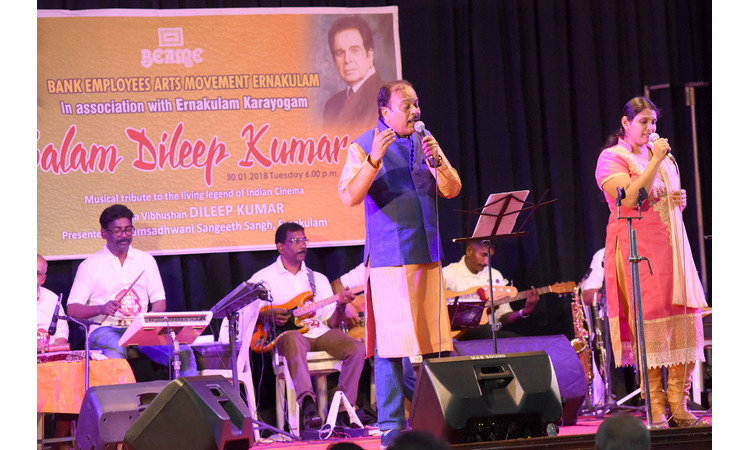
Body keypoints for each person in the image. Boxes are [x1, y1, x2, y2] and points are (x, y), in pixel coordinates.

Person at [338, 79, 462, 448]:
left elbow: (452, 188)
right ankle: (391, 426)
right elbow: (349, 195)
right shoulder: (363, 145)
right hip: (390, 258)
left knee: (435, 343)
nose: (415, 111)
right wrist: (373, 160)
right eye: (406, 105)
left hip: (428, 253)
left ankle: (442, 417)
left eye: (416, 103)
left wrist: (438, 161)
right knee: (391, 346)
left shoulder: (426, 141)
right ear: (385, 111)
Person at [595, 97, 708, 428]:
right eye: (643, 121)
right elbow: (631, 198)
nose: (650, 127)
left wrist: (677, 199)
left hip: (673, 248)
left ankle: (679, 405)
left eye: (654, 121)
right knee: (651, 323)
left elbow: (660, 197)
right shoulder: (612, 158)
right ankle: (656, 406)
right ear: (626, 123)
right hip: (639, 250)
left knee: (684, 318)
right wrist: (655, 160)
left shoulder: (662, 157)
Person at [237, 222, 365, 430]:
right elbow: (244, 312)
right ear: (280, 247)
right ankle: (308, 405)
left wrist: (340, 306)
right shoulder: (263, 278)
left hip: (319, 332)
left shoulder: (317, 279)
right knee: (293, 338)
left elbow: (331, 322)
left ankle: (343, 409)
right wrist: (266, 314)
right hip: (286, 337)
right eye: (296, 241)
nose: (302, 245)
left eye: (304, 240)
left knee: (356, 348)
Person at [66, 204, 198, 377]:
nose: (124, 235)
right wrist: (101, 308)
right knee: (114, 352)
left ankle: (185, 394)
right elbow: (73, 309)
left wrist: (148, 323)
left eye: (128, 229)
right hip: (106, 328)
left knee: (183, 352)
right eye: (117, 230)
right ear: (104, 233)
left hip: (141, 329)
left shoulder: (146, 261)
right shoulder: (90, 266)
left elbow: (159, 301)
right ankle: (120, 395)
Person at [442, 240, 539, 340]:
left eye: (490, 256)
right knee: (483, 330)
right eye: (483, 255)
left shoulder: (495, 275)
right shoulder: (447, 274)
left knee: (519, 341)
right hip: (456, 337)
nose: (487, 262)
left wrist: (524, 311)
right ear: (469, 251)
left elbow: (502, 316)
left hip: (488, 336)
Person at [323, 16, 385, 136]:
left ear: (370, 55)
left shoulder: (385, 97)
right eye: (340, 53)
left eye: (355, 50)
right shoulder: (331, 105)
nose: (347, 60)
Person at [38, 253, 69, 352]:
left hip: (47, 356)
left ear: (43, 279)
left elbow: (62, 335)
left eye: (37, 274)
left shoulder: (52, 299)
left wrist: (50, 349)